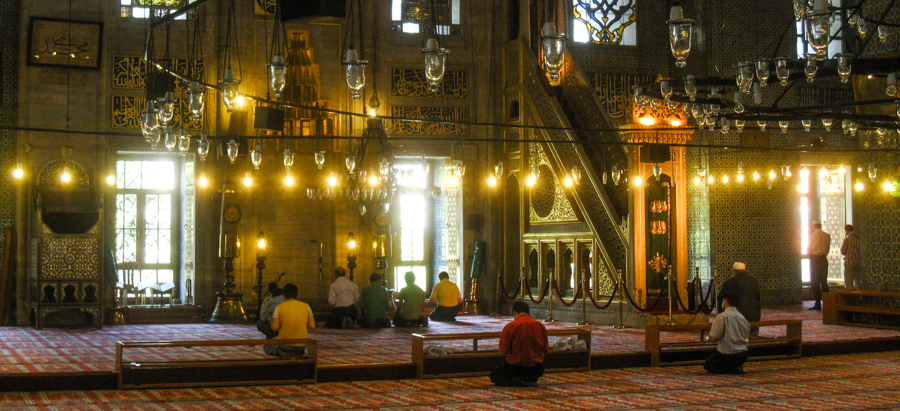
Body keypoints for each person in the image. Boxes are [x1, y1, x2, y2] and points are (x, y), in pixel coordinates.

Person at [490, 301, 549, 387]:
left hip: (516, 369)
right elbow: (546, 349)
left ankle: (517, 380)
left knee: (495, 375)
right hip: (536, 369)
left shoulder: (511, 326)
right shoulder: (540, 325)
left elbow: (503, 350)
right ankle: (529, 379)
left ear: (515, 312)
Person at [704, 293, 750, 375]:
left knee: (708, 364)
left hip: (727, 355)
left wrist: (706, 338)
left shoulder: (722, 317)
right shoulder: (743, 318)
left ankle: (727, 369)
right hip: (742, 356)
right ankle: (734, 368)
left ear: (725, 301)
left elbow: (714, 337)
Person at [264, 283, 315, 357]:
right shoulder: (306, 306)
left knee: (268, 346)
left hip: (285, 344)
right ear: (296, 294)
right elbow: (312, 326)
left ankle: (284, 353)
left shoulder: (280, 307)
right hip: (302, 344)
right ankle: (296, 353)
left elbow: (275, 327)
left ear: (284, 295)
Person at [717, 262, 761, 336]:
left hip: (736, 318)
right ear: (745, 270)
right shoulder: (754, 282)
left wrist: (720, 316)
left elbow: (720, 298)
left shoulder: (729, 282)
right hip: (753, 317)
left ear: (734, 271)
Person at [808, 220, 832, 310]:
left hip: (815, 260)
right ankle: (827, 303)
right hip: (823, 259)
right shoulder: (827, 236)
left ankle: (817, 303)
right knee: (824, 281)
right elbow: (828, 249)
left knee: (815, 282)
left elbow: (809, 249)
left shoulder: (811, 236)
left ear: (813, 226)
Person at [840, 224, 862, 290]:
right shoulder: (859, 239)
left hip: (849, 262)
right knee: (858, 280)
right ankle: (859, 296)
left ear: (846, 230)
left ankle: (850, 297)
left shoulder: (847, 239)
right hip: (857, 261)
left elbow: (842, 251)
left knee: (849, 281)